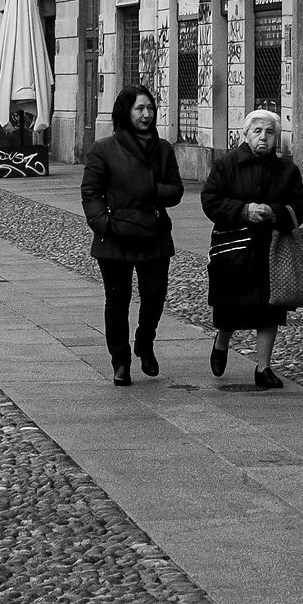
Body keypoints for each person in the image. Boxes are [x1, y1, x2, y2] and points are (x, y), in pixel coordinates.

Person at [80, 85, 184, 386]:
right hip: (116, 236)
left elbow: (175, 191)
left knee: (154, 295)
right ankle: (120, 360)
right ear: (126, 111)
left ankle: (145, 341)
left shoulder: (163, 149)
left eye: (150, 108)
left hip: (153, 234)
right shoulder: (104, 149)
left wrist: (150, 188)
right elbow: (91, 192)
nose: (146, 114)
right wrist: (103, 223)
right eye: (139, 108)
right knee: (117, 300)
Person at [201, 107, 303, 390]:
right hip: (234, 249)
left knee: (269, 309)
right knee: (230, 307)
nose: (263, 137)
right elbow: (211, 200)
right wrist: (243, 210)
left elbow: (300, 203)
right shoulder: (227, 165)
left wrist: (275, 212)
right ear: (246, 134)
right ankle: (222, 341)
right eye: (257, 131)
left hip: (272, 251)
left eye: (269, 132)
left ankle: (264, 368)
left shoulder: (287, 170)